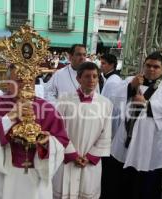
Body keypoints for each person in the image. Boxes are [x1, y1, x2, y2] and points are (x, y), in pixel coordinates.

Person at [0, 64, 74, 199]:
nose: (25, 84)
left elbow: (61, 140)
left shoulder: (47, 108)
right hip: (1, 177)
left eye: (30, 80)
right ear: (7, 83)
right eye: (19, 80)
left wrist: (48, 143)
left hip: (35, 177)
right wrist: (8, 119)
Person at [109, 52, 162, 199]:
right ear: (144, 66)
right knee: (121, 183)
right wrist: (131, 87)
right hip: (125, 139)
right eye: (148, 65)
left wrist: (146, 104)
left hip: (149, 143)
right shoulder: (132, 80)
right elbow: (114, 100)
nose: (151, 69)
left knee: (144, 186)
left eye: (156, 67)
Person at [53, 62, 113, 199]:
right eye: (87, 76)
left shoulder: (106, 104)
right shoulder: (63, 101)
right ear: (78, 79)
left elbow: (106, 135)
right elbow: (58, 130)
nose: (91, 80)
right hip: (67, 159)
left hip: (90, 161)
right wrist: (72, 154)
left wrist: (91, 156)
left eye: (95, 76)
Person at [99, 55, 123, 198]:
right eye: (101, 63)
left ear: (112, 65)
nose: (101, 65)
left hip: (110, 125)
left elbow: (112, 108)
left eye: (104, 63)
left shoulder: (113, 82)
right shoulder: (110, 79)